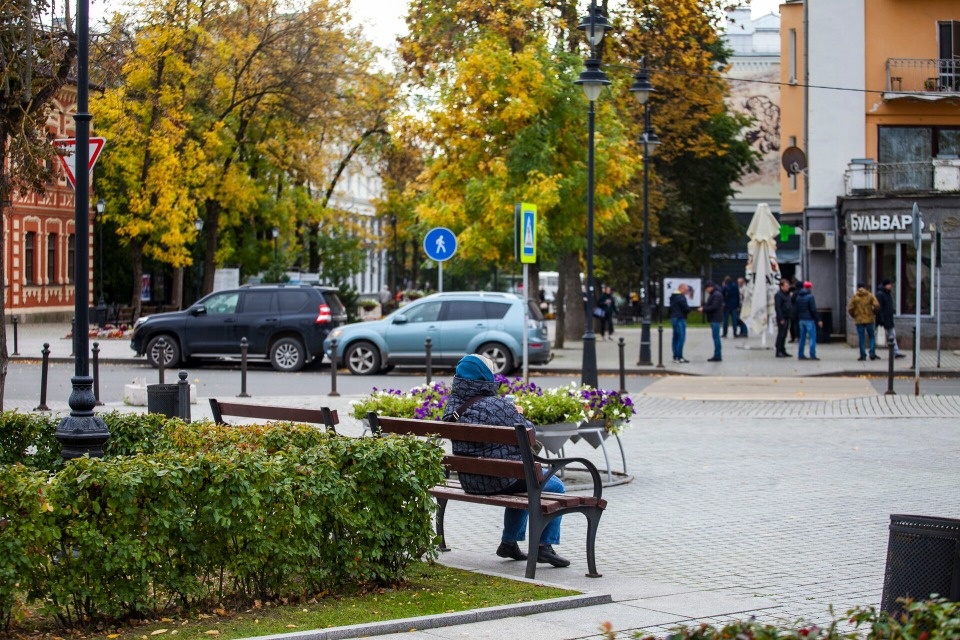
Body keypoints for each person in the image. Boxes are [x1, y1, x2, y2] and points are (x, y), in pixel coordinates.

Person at [442, 354, 570, 568]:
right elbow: (530, 432)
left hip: (470, 480)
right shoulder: (497, 406)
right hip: (497, 481)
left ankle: (509, 543)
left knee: (523, 478)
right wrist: (517, 413)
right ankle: (543, 546)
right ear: (485, 376)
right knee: (553, 485)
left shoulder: (453, 405)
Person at [847, 282, 880, 361]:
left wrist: (854, 315)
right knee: (871, 336)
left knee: (861, 338)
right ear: (864, 287)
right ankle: (872, 352)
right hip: (869, 319)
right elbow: (876, 305)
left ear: (857, 287)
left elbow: (850, 309)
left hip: (859, 320)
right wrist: (873, 313)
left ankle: (863, 355)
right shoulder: (869, 295)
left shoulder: (855, 297)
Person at [876, 279, 907, 358]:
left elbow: (888, 306)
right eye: (889, 284)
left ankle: (896, 352)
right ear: (885, 285)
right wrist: (881, 318)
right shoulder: (880, 294)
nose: (890, 286)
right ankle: (872, 352)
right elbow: (879, 307)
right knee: (877, 334)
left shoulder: (887, 294)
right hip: (883, 318)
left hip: (889, 318)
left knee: (892, 335)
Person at [795, 281, 822, 360]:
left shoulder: (798, 297)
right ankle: (812, 355)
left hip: (801, 319)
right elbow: (813, 310)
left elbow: (797, 308)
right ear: (810, 287)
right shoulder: (810, 297)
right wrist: (818, 320)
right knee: (812, 337)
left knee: (802, 338)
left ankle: (800, 354)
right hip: (809, 319)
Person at [701, 280, 724, 362]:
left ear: (710, 287)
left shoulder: (716, 295)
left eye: (706, 288)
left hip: (715, 318)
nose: (706, 290)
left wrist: (704, 309)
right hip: (715, 318)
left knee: (716, 337)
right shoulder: (715, 294)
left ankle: (717, 355)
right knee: (716, 337)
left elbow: (714, 307)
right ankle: (717, 354)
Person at [669, 283, 692, 363]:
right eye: (686, 290)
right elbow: (685, 308)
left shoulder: (673, 296)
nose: (687, 292)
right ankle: (679, 356)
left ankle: (675, 356)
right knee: (681, 337)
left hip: (673, 318)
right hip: (680, 318)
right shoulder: (681, 297)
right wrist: (690, 310)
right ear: (682, 289)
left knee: (675, 337)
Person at [774, 278, 793, 358]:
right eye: (786, 286)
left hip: (787, 316)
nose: (787, 287)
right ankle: (778, 350)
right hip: (782, 317)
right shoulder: (779, 295)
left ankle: (783, 349)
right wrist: (781, 318)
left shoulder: (787, 294)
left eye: (788, 286)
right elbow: (778, 307)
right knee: (781, 334)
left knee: (785, 334)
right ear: (781, 287)